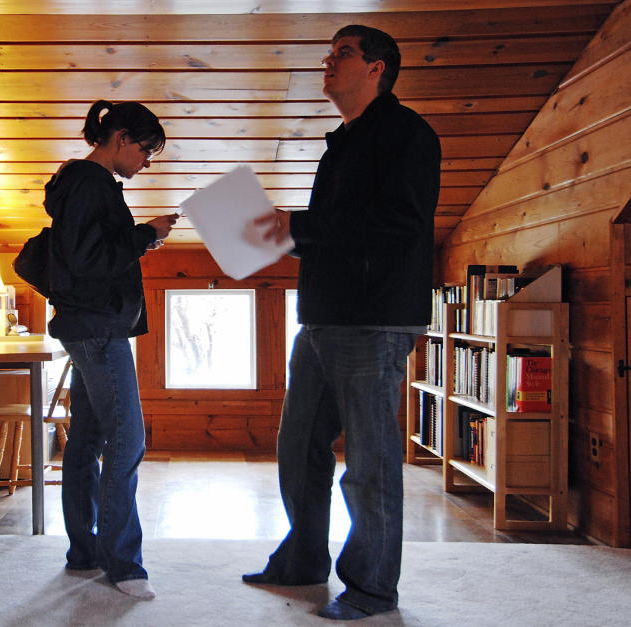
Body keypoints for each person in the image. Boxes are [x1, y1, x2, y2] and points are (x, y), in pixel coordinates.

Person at [243, 25, 441, 620]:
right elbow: (337, 233)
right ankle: (302, 560)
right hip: (323, 318)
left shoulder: (408, 135)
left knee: (371, 464)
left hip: (375, 322)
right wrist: (288, 236)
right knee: (298, 448)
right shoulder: (340, 145)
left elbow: (399, 226)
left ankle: (373, 588)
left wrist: (301, 228)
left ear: (378, 69)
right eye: (328, 56)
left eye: (343, 55)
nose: (328, 64)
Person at [43, 99, 177, 600]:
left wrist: (141, 236)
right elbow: (89, 258)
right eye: (145, 150)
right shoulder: (89, 184)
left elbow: (89, 250)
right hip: (98, 328)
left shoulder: (81, 184)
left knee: (89, 437)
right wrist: (145, 234)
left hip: (88, 324)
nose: (146, 161)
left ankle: (84, 552)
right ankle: (123, 564)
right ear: (120, 138)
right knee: (127, 437)